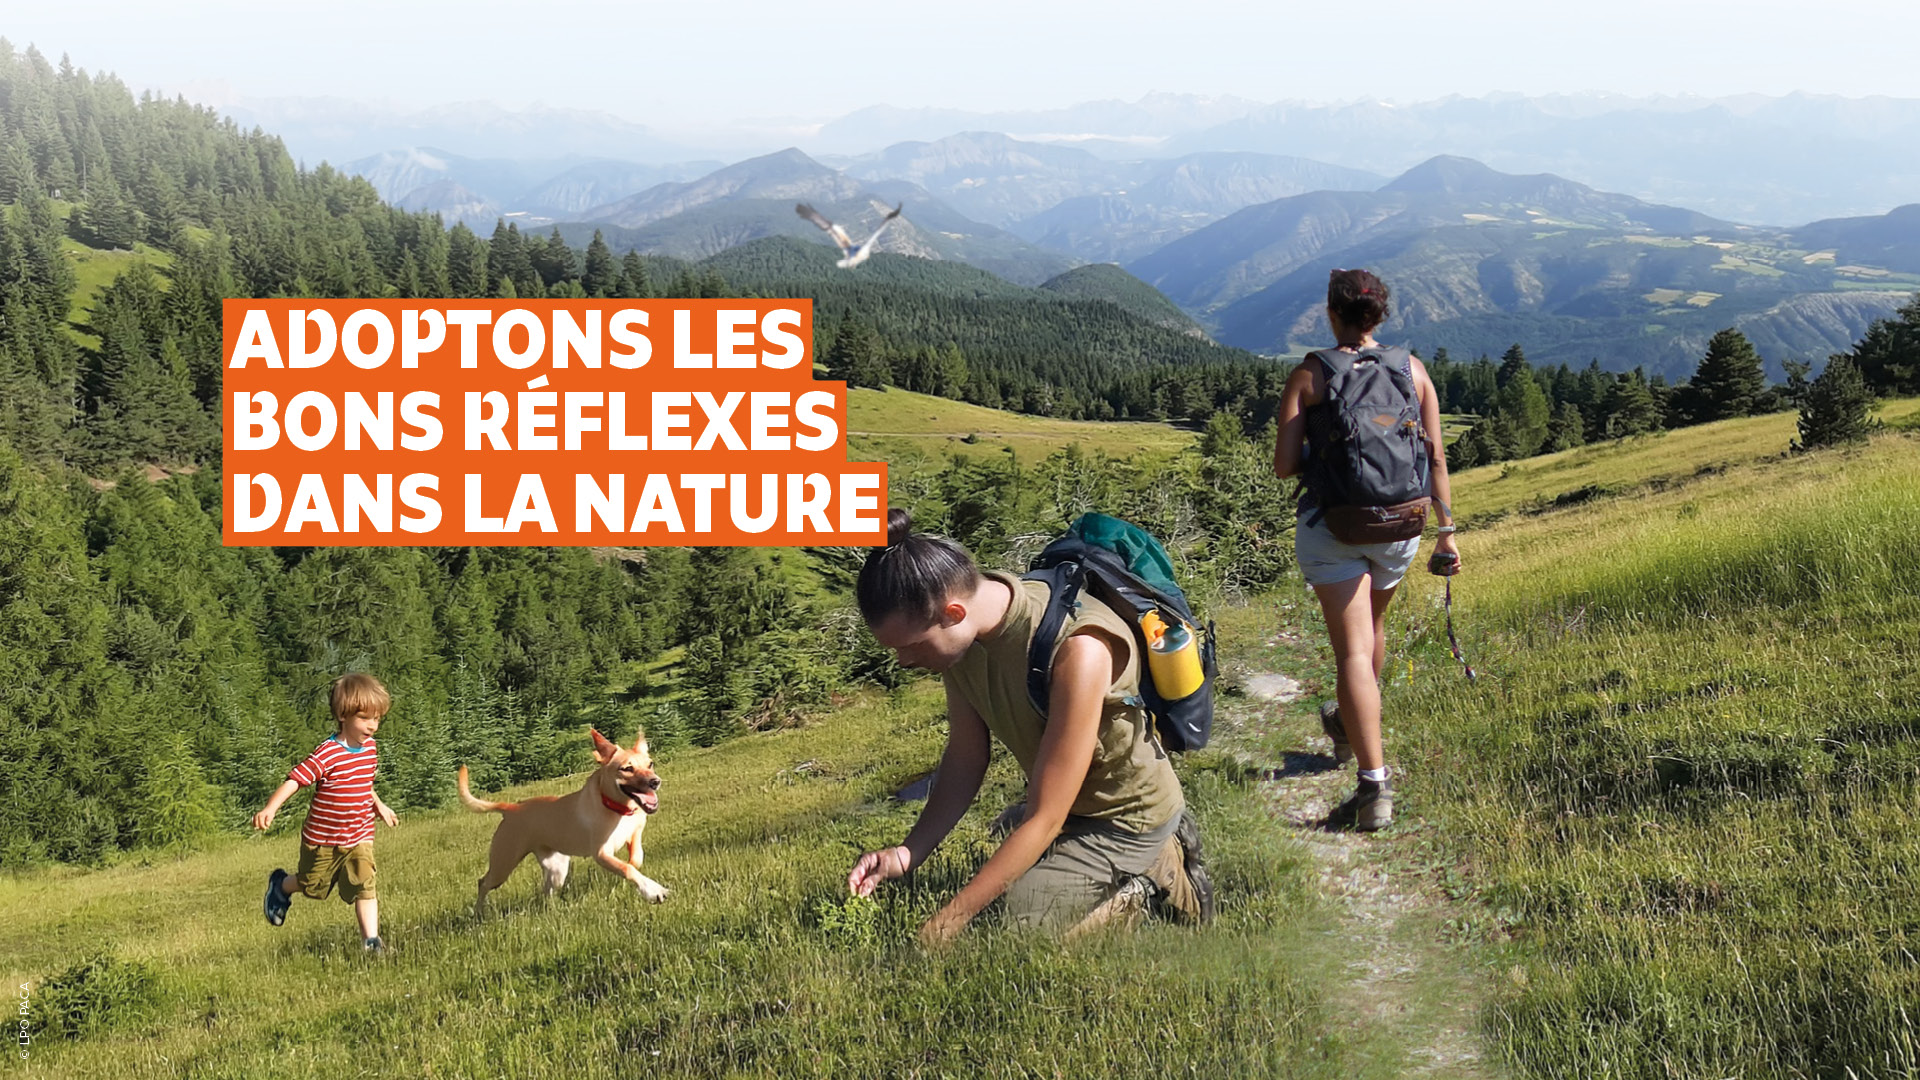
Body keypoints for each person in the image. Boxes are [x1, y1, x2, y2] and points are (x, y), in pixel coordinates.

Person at [846, 510, 1212, 941]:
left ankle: (1158, 872)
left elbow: (1044, 817)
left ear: (952, 612)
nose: (903, 661)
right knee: (1011, 858)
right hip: (1070, 808)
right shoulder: (962, 641)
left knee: (1019, 928)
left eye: (908, 647)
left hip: (1126, 818)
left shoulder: (1079, 649)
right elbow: (966, 758)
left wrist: (948, 922)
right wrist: (907, 855)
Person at [1272, 268, 1460, 831]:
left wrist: (1328, 459)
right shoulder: (1413, 371)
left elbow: (1284, 468)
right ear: (1381, 316)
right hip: (1403, 525)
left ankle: (1373, 786)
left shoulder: (1310, 374)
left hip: (1337, 527)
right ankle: (1354, 728)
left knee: (1352, 653)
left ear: (1331, 312)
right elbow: (1436, 459)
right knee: (1371, 631)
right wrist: (1447, 531)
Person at [253, 673, 399, 952]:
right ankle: (281, 886)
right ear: (343, 715)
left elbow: (364, 783)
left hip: (359, 835)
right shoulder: (327, 754)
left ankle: (371, 941)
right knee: (312, 885)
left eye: (377, 719)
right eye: (365, 718)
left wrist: (378, 805)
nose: (373, 726)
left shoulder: (370, 748)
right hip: (322, 839)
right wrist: (270, 808)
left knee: (364, 884)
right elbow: (295, 780)